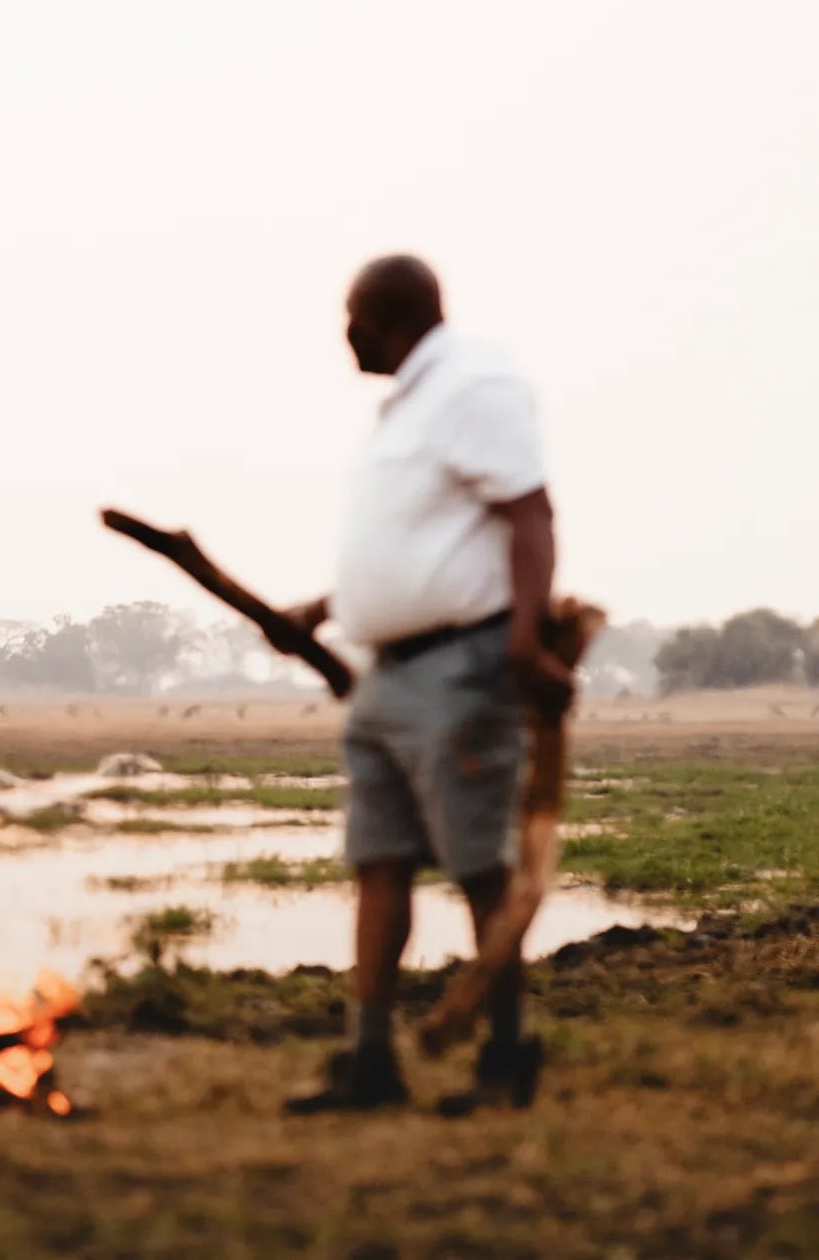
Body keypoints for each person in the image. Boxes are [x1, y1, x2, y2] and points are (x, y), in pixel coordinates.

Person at [282, 254, 573, 1116]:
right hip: (388, 676)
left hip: (464, 666)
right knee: (378, 861)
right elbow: (423, 540)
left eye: (351, 316)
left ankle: (504, 1058)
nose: (343, 334)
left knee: (481, 867)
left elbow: (530, 512)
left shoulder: (475, 384)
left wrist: (523, 640)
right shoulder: (406, 405)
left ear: (383, 318)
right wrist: (329, 607)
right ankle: (369, 1062)